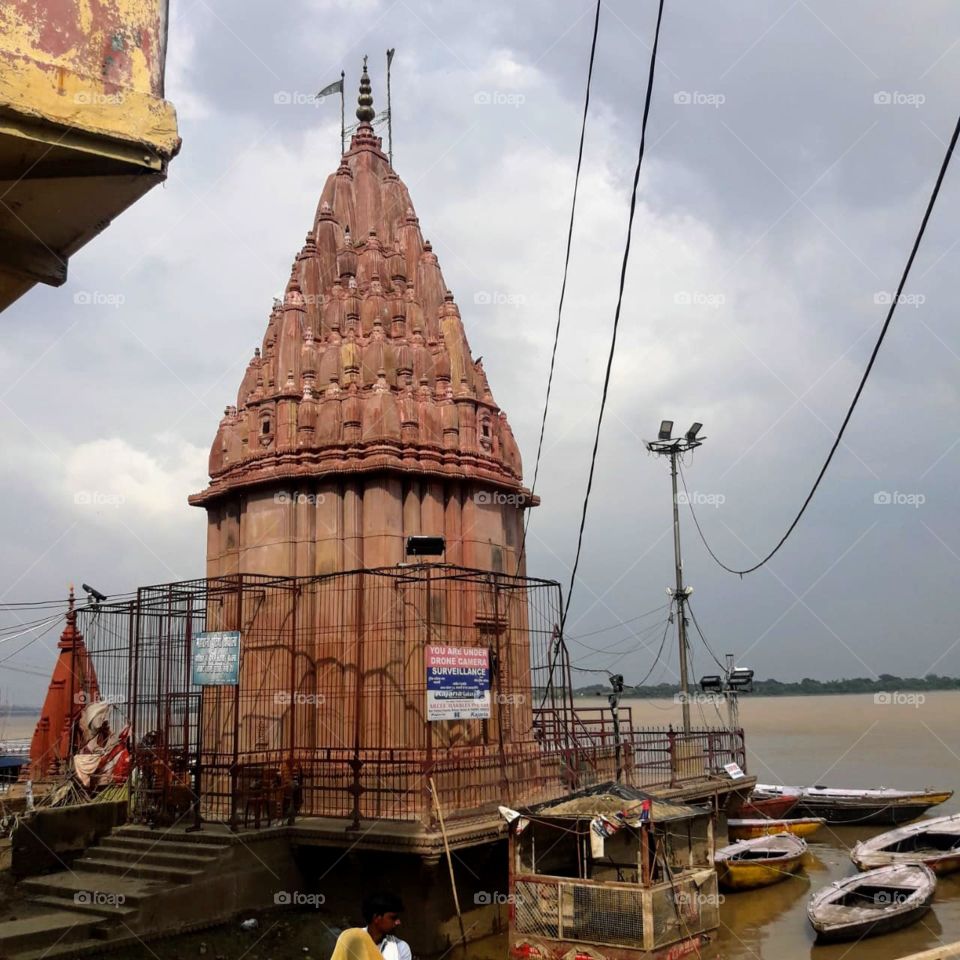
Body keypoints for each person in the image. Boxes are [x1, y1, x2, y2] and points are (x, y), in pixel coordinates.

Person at [330, 893, 411, 960]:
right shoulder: (350, 939)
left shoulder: (401, 947)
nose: (398, 922)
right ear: (376, 918)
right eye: (393, 918)